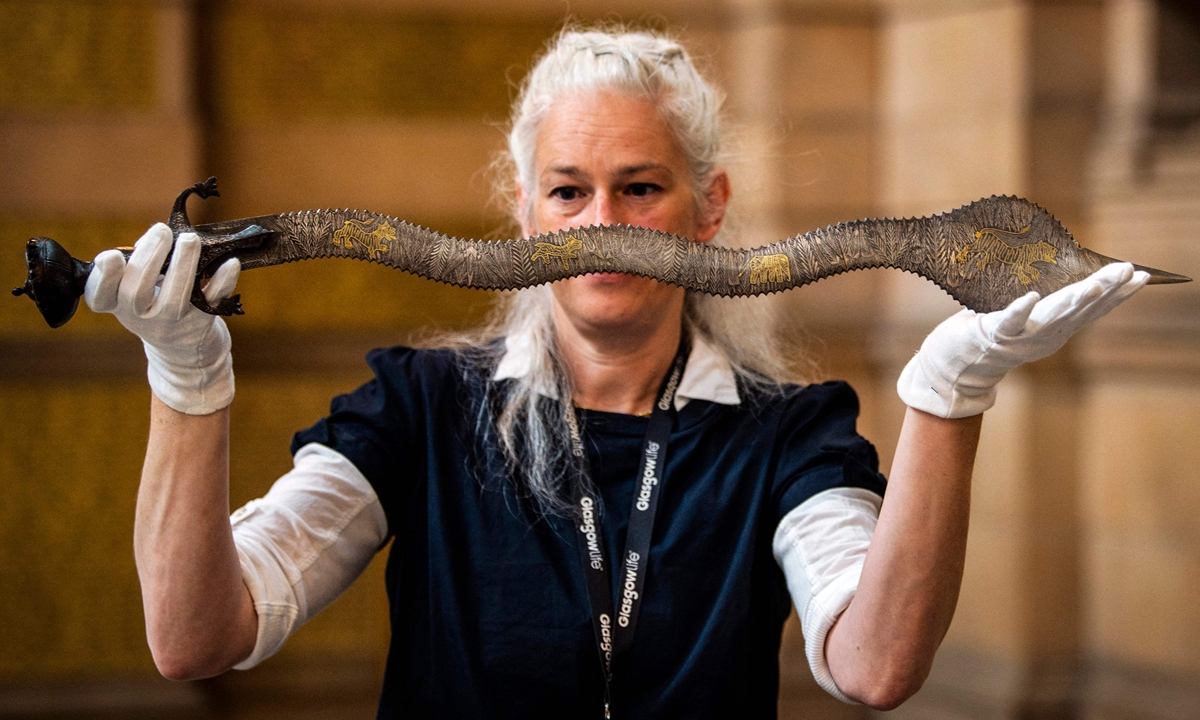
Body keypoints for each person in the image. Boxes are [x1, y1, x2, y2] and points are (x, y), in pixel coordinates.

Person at [82, 28, 1148, 718]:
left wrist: (945, 400)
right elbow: (194, 637)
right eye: (568, 192)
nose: (602, 230)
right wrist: (186, 386)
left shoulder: (788, 436)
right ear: (522, 204)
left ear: (711, 207)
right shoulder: (419, 407)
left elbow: (874, 667)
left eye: (639, 189)